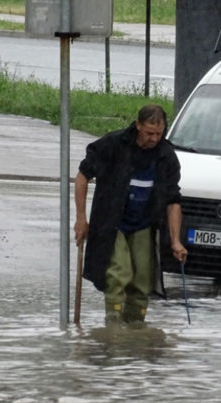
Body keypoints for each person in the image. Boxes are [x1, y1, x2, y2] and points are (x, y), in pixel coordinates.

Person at [74, 104, 188, 327]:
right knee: (119, 273)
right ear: (138, 126)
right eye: (149, 133)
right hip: (111, 222)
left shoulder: (166, 156)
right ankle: (113, 330)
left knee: (143, 280)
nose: (154, 139)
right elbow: (82, 177)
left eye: (159, 133)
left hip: (144, 223)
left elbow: (173, 200)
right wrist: (81, 218)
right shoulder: (113, 145)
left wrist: (176, 241)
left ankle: (135, 334)